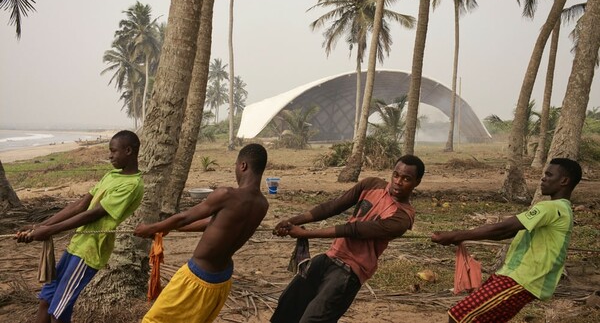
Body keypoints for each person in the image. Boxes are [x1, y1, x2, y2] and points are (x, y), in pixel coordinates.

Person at [270, 154, 425, 323]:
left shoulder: (402, 219)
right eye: (396, 175)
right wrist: (291, 221)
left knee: (313, 319)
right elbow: (333, 206)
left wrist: (304, 233)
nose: (398, 182)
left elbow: (353, 230)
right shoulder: (371, 184)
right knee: (288, 305)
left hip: (349, 271)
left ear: (417, 182)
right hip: (329, 257)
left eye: (406, 179)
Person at [431, 158, 582, 323]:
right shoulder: (562, 209)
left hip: (522, 279)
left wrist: (455, 235)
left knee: (458, 316)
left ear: (564, 181)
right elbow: (503, 234)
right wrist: (457, 237)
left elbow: (503, 228)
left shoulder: (552, 208)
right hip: (515, 276)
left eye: (549, 174)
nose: (543, 178)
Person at [15, 130, 144, 323]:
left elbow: (93, 214)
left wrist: (48, 231)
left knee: (58, 312)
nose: (109, 155)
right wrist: (39, 227)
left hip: (90, 252)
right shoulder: (111, 176)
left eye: (113, 151)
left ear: (128, 151)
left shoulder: (133, 185)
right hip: (77, 244)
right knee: (45, 300)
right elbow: (80, 205)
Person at [134, 143, 269, 323]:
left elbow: (184, 217)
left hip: (197, 277)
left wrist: (151, 228)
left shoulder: (227, 194)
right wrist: (170, 228)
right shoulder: (262, 205)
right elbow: (213, 223)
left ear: (243, 165)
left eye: (236, 166)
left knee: (153, 320)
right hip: (222, 280)